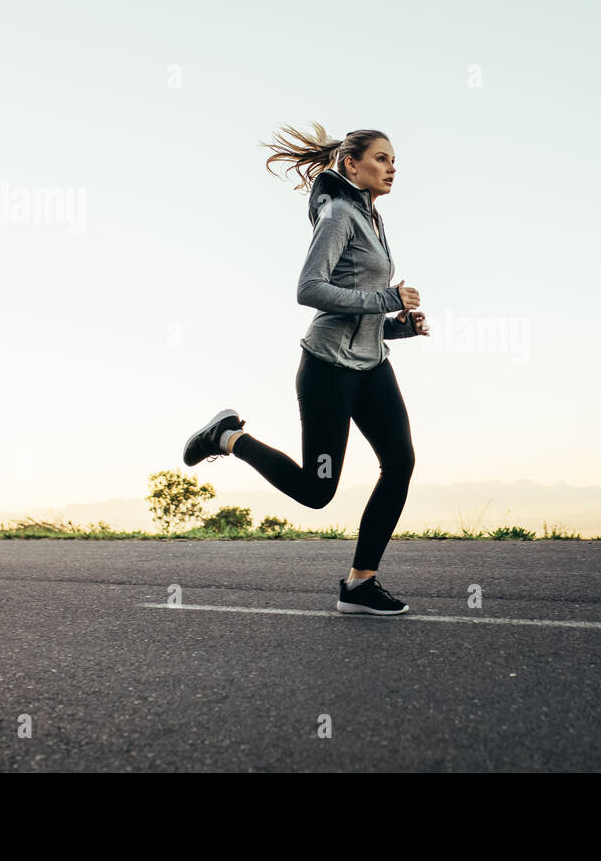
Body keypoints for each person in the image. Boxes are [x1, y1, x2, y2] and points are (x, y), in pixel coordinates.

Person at [180, 123, 428, 616]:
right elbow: (309, 289)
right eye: (381, 159)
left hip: (371, 365)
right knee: (317, 492)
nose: (391, 167)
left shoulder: (371, 218)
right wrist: (385, 297)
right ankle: (228, 437)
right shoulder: (338, 215)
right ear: (351, 165)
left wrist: (398, 325)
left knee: (399, 463)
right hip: (328, 370)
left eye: (395, 160)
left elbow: (358, 305)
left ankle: (359, 585)